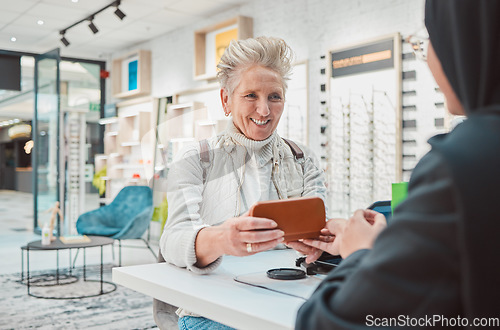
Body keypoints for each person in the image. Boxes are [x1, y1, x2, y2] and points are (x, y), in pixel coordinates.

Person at [294, 0, 500, 328]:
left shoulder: (463, 162)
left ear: (465, 42)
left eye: (430, 41)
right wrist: (396, 244)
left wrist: (362, 254)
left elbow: (324, 321)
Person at [158, 36, 327, 329]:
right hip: (212, 310)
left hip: (289, 300)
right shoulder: (195, 159)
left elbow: (318, 230)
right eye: (250, 95)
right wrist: (222, 239)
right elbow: (172, 240)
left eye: (274, 96)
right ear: (226, 99)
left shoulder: (303, 158)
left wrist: (321, 242)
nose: (264, 111)